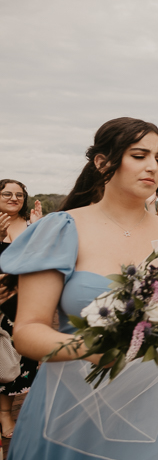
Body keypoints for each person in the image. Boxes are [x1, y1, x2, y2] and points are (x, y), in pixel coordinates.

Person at [0, 117, 158, 459]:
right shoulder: (61, 229)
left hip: (153, 407)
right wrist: (93, 346)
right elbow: (27, 332)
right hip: (70, 406)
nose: (153, 167)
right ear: (103, 162)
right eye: (139, 155)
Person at [0, 179, 42, 438]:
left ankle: (6, 413)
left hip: (23, 302)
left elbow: (39, 262)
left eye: (19, 194)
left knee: (15, 360)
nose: (14, 198)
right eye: (7, 193)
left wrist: (39, 231)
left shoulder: (28, 224)